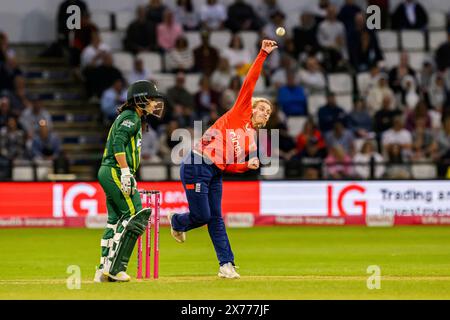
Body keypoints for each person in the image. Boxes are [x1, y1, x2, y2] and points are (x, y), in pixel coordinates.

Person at [168, 40, 278, 279]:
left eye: (269, 113)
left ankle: (226, 265)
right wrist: (262, 54)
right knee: (202, 216)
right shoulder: (240, 112)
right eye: (262, 109)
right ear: (251, 108)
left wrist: (245, 166)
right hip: (197, 164)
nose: (265, 114)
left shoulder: (251, 141)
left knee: (216, 217)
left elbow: (228, 166)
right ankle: (177, 221)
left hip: (215, 172)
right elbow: (250, 81)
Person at [95, 80, 165, 282]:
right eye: (151, 99)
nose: (154, 104)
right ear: (140, 99)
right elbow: (118, 141)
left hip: (109, 171)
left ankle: (103, 269)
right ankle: (116, 269)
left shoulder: (131, 117)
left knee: (114, 221)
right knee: (136, 214)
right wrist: (125, 172)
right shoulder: (131, 116)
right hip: (116, 170)